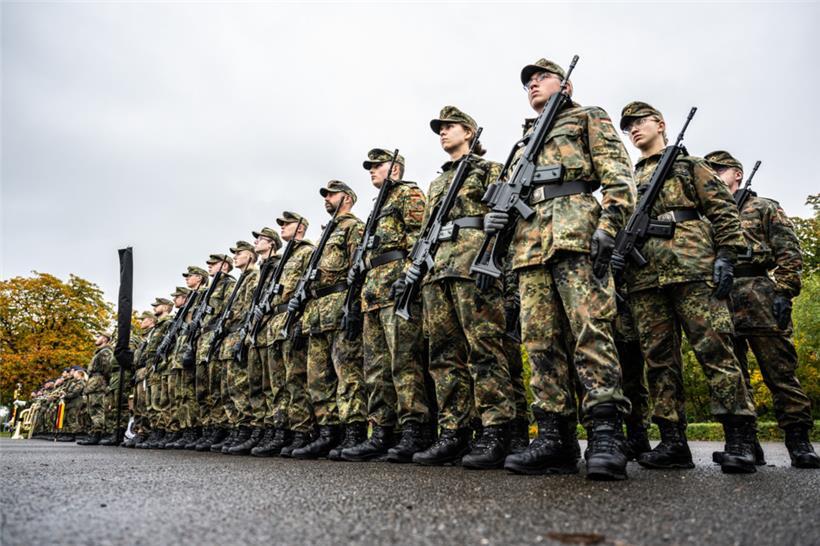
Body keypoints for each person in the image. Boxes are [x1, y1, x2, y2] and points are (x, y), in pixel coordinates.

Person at [484, 59, 636, 480]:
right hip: (530, 247)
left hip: (576, 233)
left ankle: (606, 434)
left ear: (565, 85)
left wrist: (610, 225)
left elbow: (619, 176)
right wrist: (498, 220)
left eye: (541, 78)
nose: (532, 85)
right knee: (540, 342)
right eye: (528, 83)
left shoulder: (588, 117)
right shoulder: (522, 142)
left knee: (591, 331)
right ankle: (555, 438)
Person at [613, 102, 757, 474]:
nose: (634, 129)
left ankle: (740, 440)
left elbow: (723, 210)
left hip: (693, 269)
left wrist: (726, 255)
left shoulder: (690, 165)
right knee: (659, 362)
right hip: (644, 279)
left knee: (716, 352)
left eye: (640, 122)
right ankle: (673, 441)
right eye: (628, 126)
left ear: (660, 124)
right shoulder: (626, 176)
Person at [405, 106, 516, 470]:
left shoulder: (489, 169)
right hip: (437, 271)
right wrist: (414, 269)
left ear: (469, 132)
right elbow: (425, 232)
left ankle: (495, 429)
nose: (443, 132)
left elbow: (506, 219)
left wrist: (498, 265)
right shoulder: (437, 183)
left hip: (473, 265)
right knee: (443, 355)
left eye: (450, 126)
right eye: (440, 128)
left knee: (484, 348)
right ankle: (454, 431)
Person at [706, 150, 820, 469]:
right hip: (720, 298)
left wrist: (785, 291)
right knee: (732, 377)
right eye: (709, 171)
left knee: (780, 372)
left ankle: (799, 441)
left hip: (760, 295)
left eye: (720, 170)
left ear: (737, 174)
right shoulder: (707, 215)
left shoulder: (763, 207)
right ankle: (745, 442)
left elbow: (789, 251)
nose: (714, 176)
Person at [341, 148, 432, 463]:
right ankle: (382, 430)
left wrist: (407, 276)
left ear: (394, 168)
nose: (371, 170)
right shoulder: (377, 207)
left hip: (396, 288)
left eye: (377, 165)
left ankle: (414, 429)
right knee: (376, 367)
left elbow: (420, 239)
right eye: (369, 166)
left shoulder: (408, 194)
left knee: (403, 362)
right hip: (373, 293)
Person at [289, 180, 368, 459]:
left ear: (347, 198)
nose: (327, 198)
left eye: (332, 194)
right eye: (325, 195)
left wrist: (354, 307)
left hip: (339, 307)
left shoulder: (353, 228)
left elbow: (358, 270)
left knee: (348, 373)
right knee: (317, 378)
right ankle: (328, 432)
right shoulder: (325, 235)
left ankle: (354, 431)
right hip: (317, 312)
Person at [253, 213, 317, 457]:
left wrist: (302, 320)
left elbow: (309, 287)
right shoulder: (283, 259)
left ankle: (301, 431)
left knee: (295, 379)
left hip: (291, 318)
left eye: (287, 224)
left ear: (300, 227)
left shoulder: (307, 252)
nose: (282, 227)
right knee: (278, 383)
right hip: (275, 322)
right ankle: (282, 431)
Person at [77, 331, 116, 445]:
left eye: (99, 337)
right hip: (94, 382)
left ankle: (97, 433)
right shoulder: (99, 352)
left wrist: (104, 382)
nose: (96, 338)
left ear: (105, 339)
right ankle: (94, 432)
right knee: (91, 409)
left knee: (96, 408)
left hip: (98, 382)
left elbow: (108, 369)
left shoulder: (105, 352)